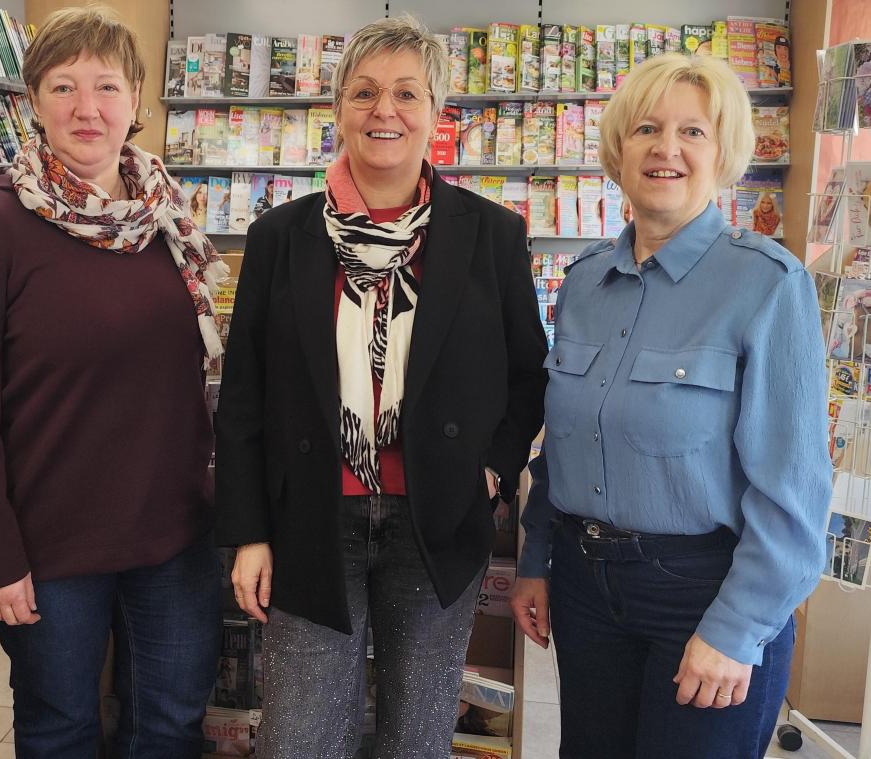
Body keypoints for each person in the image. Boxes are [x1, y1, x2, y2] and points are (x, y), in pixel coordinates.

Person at [215, 16, 546, 759]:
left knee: (416, 737)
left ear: (435, 112)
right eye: (363, 92)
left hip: (436, 520)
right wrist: (247, 531)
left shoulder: (491, 234)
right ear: (337, 107)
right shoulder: (279, 236)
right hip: (309, 517)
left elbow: (527, 373)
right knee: (299, 735)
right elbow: (243, 396)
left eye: (406, 92)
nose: (383, 110)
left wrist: (490, 468)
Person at [0, 7, 223, 758]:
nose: (87, 108)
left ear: (138, 101)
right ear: (32, 101)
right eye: (63, 86)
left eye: (106, 86)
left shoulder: (168, 218)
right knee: (60, 730)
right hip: (47, 547)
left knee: (171, 725)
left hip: (175, 534)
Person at [509, 53, 830, 759]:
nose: (665, 148)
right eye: (646, 128)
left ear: (722, 155)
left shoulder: (767, 285)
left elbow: (795, 495)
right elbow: (559, 445)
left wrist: (734, 627)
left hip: (705, 590)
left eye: (692, 131)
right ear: (617, 148)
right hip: (587, 589)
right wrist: (535, 558)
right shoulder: (585, 283)